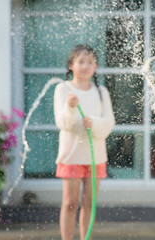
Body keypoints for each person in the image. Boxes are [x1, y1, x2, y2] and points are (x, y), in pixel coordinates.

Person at [54, 44, 115, 240]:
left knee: (89, 204)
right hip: (71, 156)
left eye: (90, 62)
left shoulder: (101, 92)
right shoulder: (63, 89)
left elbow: (109, 124)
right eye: (81, 61)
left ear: (96, 67)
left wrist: (94, 123)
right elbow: (62, 123)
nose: (85, 66)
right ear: (71, 65)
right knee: (70, 202)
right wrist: (71, 108)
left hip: (95, 157)